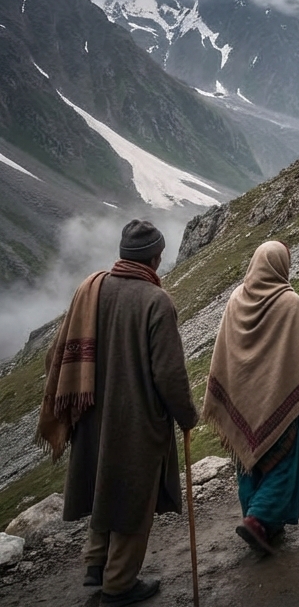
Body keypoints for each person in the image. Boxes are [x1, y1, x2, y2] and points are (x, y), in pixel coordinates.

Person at [39, 220, 197, 605]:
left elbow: (54, 355)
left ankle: (95, 563)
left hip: (91, 413)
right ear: (155, 258)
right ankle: (119, 583)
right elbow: (168, 373)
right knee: (131, 497)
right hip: (135, 420)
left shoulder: (92, 291)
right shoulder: (155, 301)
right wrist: (187, 416)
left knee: (101, 484)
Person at [203, 242, 299, 557]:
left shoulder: (235, 299)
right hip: (277, 396)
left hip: (242, 398)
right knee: (283, 460)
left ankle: (261, 519)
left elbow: (225, 350)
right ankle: (258, 520)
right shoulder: (289, 302)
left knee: (247, 461)